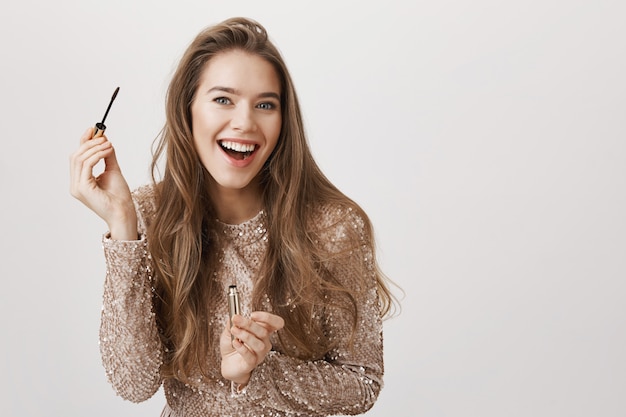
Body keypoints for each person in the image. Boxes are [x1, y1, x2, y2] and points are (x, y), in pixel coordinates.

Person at [70, 17, 396, 417]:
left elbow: (362, 382)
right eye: (223, 99)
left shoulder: (332, 227)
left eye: (265, 104)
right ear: (187, 109)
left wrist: (256, 373)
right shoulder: (148, 216)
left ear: (283, 121)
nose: (245, 121)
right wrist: (123, 230)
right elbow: (134, 382)